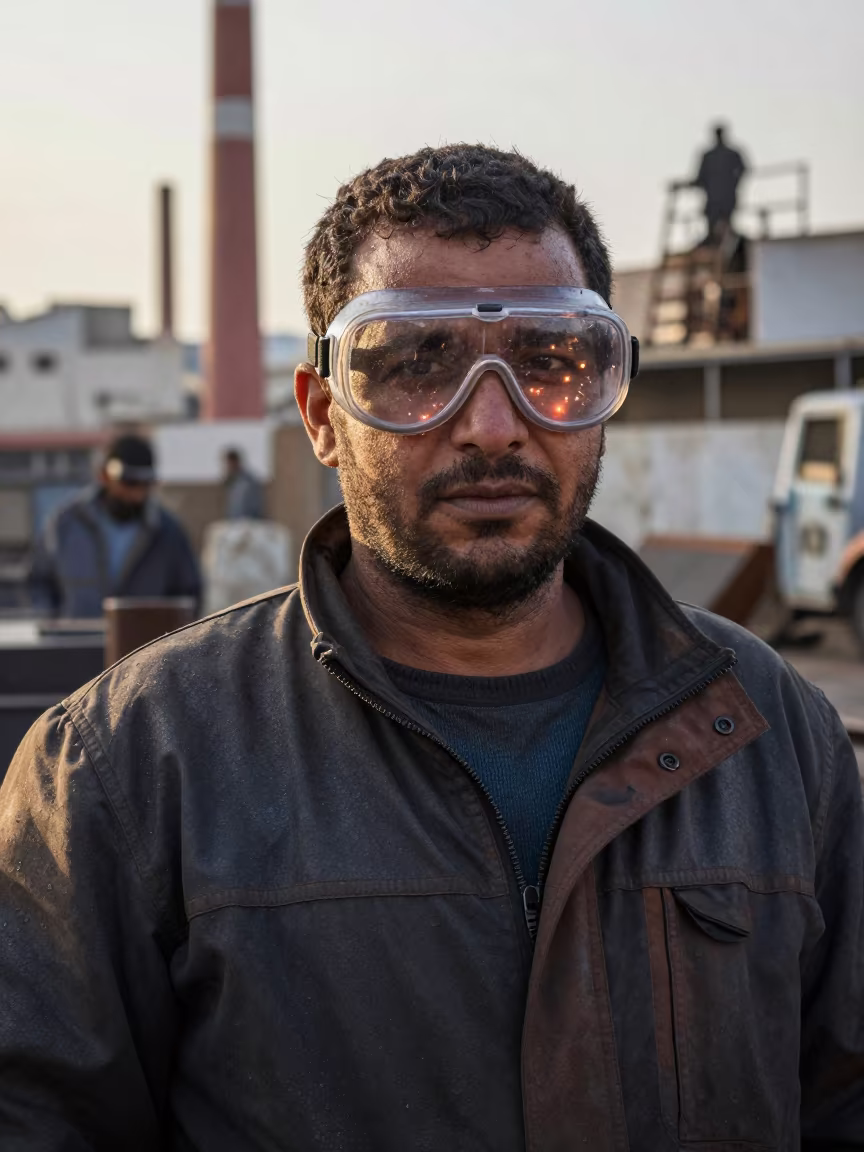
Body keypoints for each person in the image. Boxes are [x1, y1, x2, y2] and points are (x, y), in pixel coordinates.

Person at [1, 145, 862, 1151]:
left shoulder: (767, 732)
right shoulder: (128, 772)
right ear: (324, 414)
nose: (492, 426)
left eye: (551, 361)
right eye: (415, 365)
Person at [29, 433, 201, 618]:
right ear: (104, 476)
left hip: (146, 645)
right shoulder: (65, 523)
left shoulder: (168, 532)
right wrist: (52, 625)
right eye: (129, 483)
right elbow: (38, 581)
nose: (136, 494)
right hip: (76, 643)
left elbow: (189, 595)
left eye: (144, 485)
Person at [692, 122, 748, 241]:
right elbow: (701, 177)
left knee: (725, 222)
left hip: (723, 198)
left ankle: (725, 241)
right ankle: (716, 240)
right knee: (714, 224)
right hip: (715, 198)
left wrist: (734, 183)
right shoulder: (710, 156)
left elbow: (743, 169)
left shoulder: (728, 154)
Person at [223, 446, 265, 520]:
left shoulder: (249, 481)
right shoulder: (233, 482)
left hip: (248, 523)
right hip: (234, 523)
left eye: (230, 463)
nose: (228, 466)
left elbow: (255, 505)